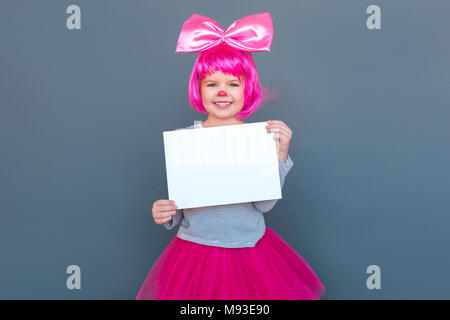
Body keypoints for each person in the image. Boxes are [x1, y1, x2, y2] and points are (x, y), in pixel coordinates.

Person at [135, 12, 325, 300]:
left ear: (246, 89)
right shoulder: (186, 140)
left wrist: (280, 154)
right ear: (199, 89)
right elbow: (184, 201)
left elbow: (265, 204)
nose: (222, 91)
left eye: (233, 83)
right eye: (212, 83)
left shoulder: (258, 139)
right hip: (195, 252)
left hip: (248, 249)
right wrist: (165, 213)